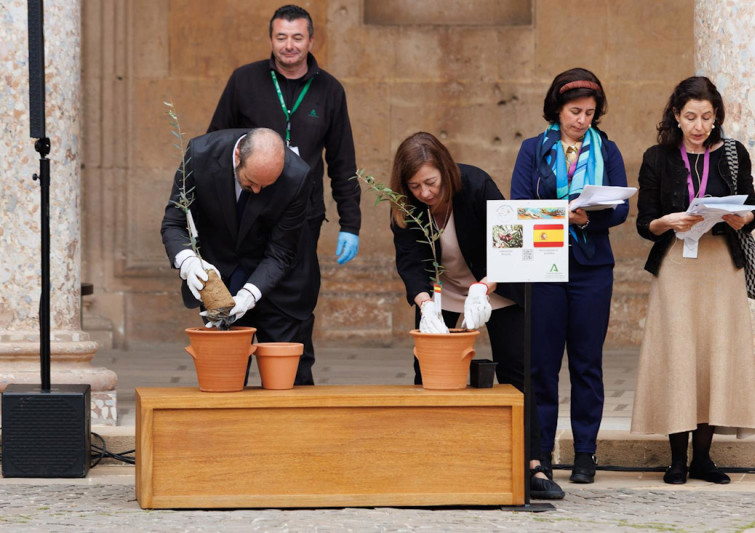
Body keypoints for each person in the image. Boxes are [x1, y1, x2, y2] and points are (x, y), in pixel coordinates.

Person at [390, 131, 564, 500]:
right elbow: (409, 261)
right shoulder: (404, 205)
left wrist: (485, 286)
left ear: (446, 172)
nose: (425, 193)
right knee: (430, 373)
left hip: (491, 287)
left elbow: (510, 240)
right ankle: (436, 458)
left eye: (431, 183)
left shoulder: (475, 183)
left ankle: (533, 463)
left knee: (517, 371)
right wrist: (424, 305)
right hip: (440, 293)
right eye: (415, 185)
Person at [207, 4, 361, 383]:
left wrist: (351, 224)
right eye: (281, 37)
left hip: (301, 223)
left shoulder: (330, 90)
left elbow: (342, 162)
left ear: (311, 40)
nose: (289, 45)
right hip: (246, 219)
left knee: (293, 318)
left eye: (297, 37)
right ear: (271, 40)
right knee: (232, 323)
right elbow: (214, 145)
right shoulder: (244, 81)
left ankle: (294, 400)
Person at [631, 76, 755, 485]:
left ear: (717, 117)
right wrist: (666, 221)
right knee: (679, 356)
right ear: (676, 115)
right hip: (677, 266)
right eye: (691, 117)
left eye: (707, 117)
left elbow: (754, 207)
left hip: (721, 266)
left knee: (713, 355)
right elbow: (644, 223)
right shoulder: (657, 157)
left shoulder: (734, 154)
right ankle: (675, 460)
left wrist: (745, 217)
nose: (699, 125)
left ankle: (703, 458)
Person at [510, 68, 629, 484]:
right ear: (557, 110)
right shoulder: (533, 150)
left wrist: (586, 220)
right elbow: (519, 206)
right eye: (575, 111)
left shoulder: (607, 150)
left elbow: (621, 208)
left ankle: (585, 453)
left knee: (586, 363)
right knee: (542, 365)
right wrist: (563, 215)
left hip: (592, 268)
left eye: (590, 113)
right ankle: (539, 454)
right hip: (544, 265)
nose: (582, 120)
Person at [161, 128, 315, 381]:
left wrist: (249, 294)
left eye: (266, 186)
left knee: (288, 381)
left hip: (279, 285)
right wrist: (187, 260)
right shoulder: (199, 155)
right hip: (221, 276)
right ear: (236, 156)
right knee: (223, 378)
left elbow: (281, 252)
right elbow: (174, 223)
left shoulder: (297, 176)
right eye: (251, 181)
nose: (256, 191)